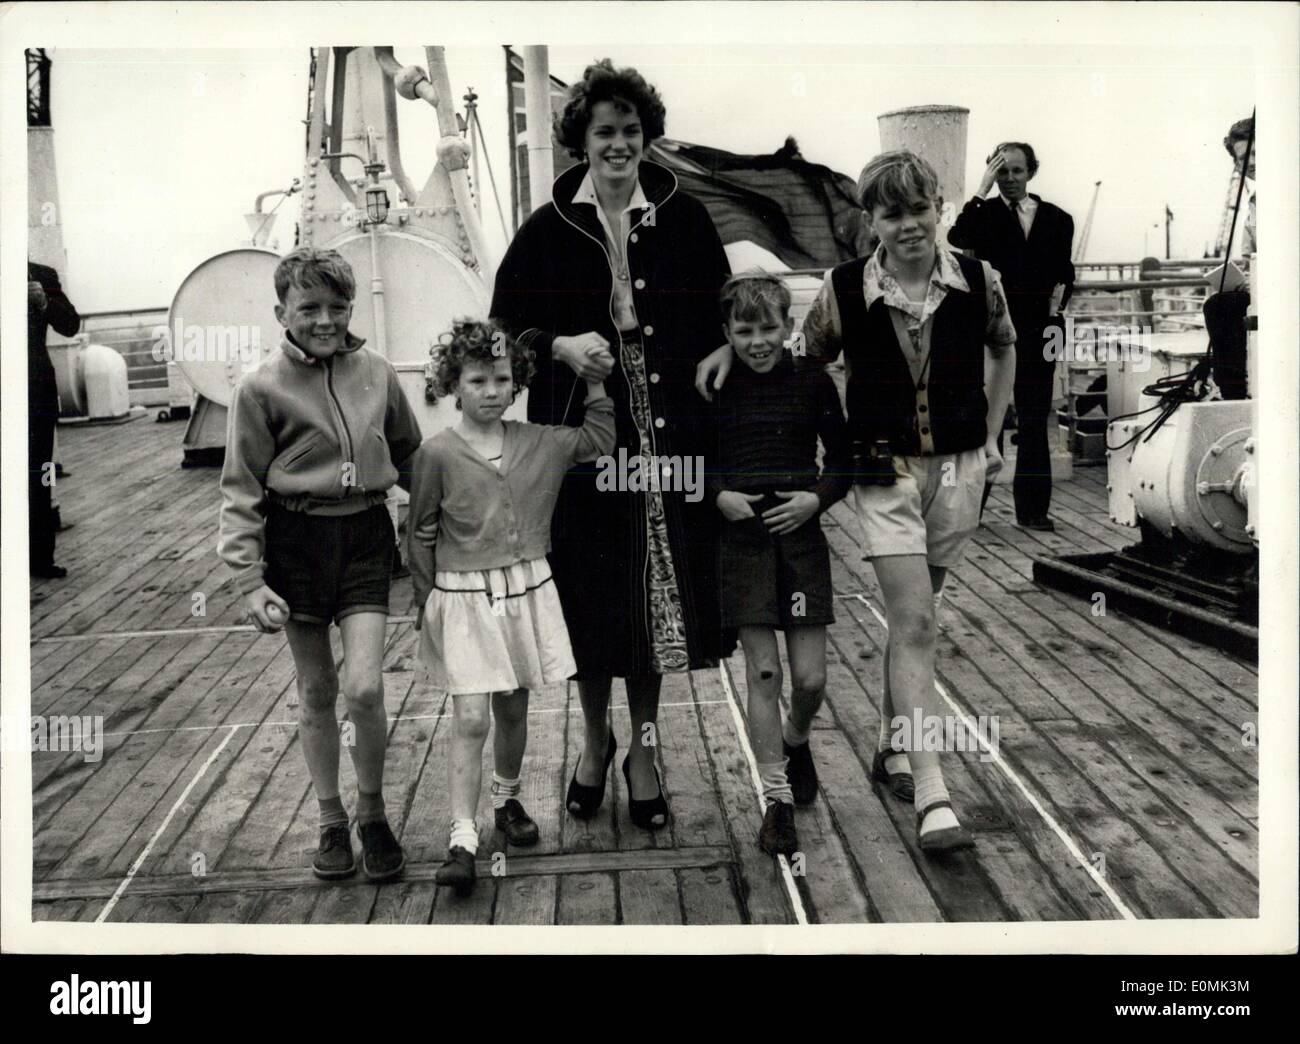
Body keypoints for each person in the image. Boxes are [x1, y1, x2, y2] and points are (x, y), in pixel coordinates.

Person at [697, 151, 1017, 851]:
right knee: (917, 626)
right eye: (891, 213)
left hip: (959, 468)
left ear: (940, 207)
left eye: (919, 209)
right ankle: (934, 797)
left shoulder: (981, 280)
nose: (908, 225)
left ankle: (890, 743)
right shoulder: (843, 291)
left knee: (916, 624)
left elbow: (1004, 345)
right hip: (881, 469)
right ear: (869, 220)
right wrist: (726, 351)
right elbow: (798, 362)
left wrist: (993, 436)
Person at [488, 59, 731, 831]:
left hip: (666, 431)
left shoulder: (685, 218)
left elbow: (726, 310)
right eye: (604, 132)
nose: (619, 143)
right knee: (592, 592)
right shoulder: (546, 228)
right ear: (581, 141)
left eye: (631, 131)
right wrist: (556, 345)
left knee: (655, 594)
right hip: (583, 430)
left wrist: (723, 351)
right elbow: (500, 335)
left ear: (646, 137)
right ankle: (596, 744)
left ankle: (645, 752)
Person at [217, 247, 423, 882]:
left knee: (364, 686)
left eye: (337, 307)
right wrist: (249, 580)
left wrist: (442, 535)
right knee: (316, 689)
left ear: (351, 309)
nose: (325, 319)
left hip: (364, 536)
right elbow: (241, 489)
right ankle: (331, 819)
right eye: (309, 308)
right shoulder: (258, 389)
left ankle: (372, 812)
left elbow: (413, 457)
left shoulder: (379, 372)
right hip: (294, 545)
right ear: (282, 312)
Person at [407, 319, 615, 895]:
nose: (491, 389)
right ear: (454, 385)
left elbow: (599, 440)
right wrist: (429, 603)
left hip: (524, 593)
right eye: (477, 379)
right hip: (464, 599)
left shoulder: (540, 442)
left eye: (501, 377)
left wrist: (595, 382)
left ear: (516, 382)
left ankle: (507, 800)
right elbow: (420, 531)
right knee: (471, 717)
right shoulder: (436, 454)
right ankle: (462, 839)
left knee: (514, 709)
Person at [708, 273, 851, 857]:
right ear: (727, 333)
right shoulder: (715, 384)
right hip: (742, 539)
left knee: (811, 680)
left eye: (769, 327)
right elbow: (690, 461)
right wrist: (718, 494)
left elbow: (844, 459)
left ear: (789, 327)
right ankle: (776, 802)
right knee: (764, 673)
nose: (757, 340)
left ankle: (796, 738)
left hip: (799, 534)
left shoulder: (813, 382)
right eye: (744, 330)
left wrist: (816, 496)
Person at [948, 142, 1074, 531]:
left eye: (1017, 171)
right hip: (991, 330)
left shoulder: (1058, 218)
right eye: (1002, 172)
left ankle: (1034, 512)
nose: (1010, 179)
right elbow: (956, 235)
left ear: (1031, 172)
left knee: (1036, 418)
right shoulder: (983, 215)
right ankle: (973, 510)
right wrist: (981, 187)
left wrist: (1060, 299)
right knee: (989, 420)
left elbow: (1064, 271)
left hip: (1044, 327)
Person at [29, 260, 80, 580]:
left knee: (38, 476)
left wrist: (44, 303)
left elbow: (71, 325)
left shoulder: (42, 276)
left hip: (35, 394)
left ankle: (39, 559)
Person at [1202, 116, 1255, 401]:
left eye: (1256, 154)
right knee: (1218, 305)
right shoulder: (1255, 206)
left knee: (1221, 308)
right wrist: (1244, 282)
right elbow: (1250, 260)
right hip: (1268, 291)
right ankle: (1232, 392)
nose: (1251, 163)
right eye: (1243, 158)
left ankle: (1233, 392)